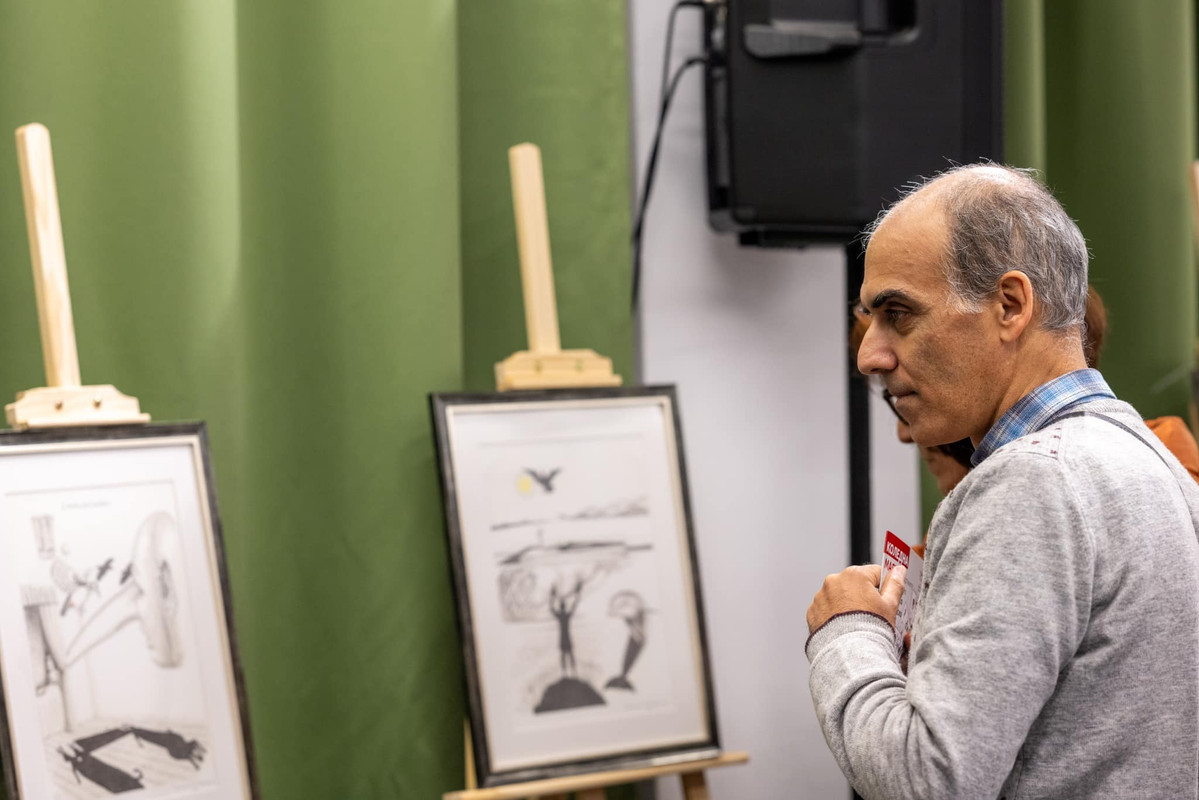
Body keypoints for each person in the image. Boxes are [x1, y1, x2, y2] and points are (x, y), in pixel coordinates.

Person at [808, 164, 1199, 799]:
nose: (870, 355)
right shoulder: (1146, 454)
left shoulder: (1034, 482)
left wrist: (847, 631)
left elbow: (928, 781)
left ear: (1010, 305)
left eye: (898, 314)